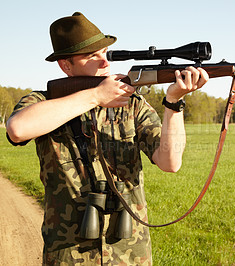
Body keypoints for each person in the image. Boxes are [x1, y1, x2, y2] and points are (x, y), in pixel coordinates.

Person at [6, 12, 208, 265]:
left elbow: (170, 161)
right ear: (65, 66)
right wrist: (95, 97)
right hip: (69, 253)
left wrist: (174, 102)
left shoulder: (132, 104)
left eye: (105, 52)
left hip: (130, 253)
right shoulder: (43, 102)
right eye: (92, 56)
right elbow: (17, 129)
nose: (104, 62)